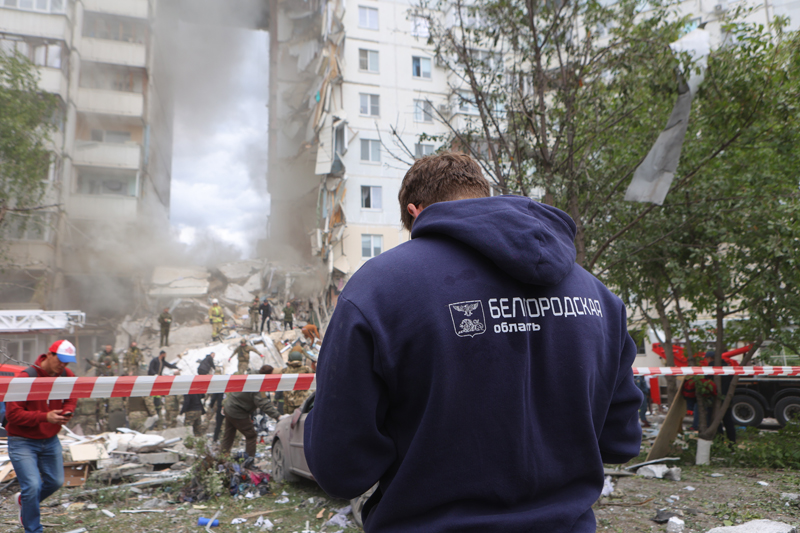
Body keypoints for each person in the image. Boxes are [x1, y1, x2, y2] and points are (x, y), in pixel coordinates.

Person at [304, 152, 643, 532]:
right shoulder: (598, 297)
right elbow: (621, 441)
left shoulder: (378, 289)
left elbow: (341, 469)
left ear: (415, 213)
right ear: (482, 195)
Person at [6, 340, 78, 533]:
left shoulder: (66, 374)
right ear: (49, 355)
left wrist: (68, 411)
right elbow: (12, 415)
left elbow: (73, 395)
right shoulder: (26, 377)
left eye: (67, 362)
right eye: (60, 360)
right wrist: (45, 417)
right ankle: (33, 529)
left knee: (55, 482)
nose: (63, 366)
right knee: (33, 485)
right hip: (22, 440)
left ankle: (24, 501)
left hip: (49, 439)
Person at [220, 365, 283, 457]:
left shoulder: (253, 376)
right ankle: (249, 462)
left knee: (228, 435)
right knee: (251, 435)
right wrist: (278, 416)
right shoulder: (257, 384)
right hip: (237, 411)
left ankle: (222, 458)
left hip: (230, 407)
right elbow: (263, 403)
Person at [281, 348, 313, 415]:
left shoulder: (284, 371)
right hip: (303, 402)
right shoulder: (307, 369)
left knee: (289, 422)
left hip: (289, 402)